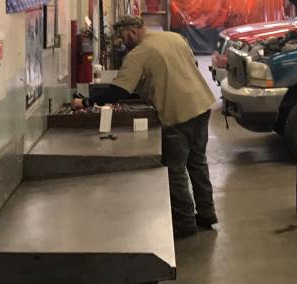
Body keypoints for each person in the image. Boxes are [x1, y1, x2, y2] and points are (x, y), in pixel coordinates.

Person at [74, 16, 217, 238]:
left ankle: (185, 224)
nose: (122, 42)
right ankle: (207, 214)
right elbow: (192, 65)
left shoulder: (139, 53)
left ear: (132, 31)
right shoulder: (174, 37)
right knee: (198, 162)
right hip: (202, 104)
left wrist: (85, 102)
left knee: (175, 170)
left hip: (177, 112)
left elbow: (119, 91)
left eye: (122, 37)